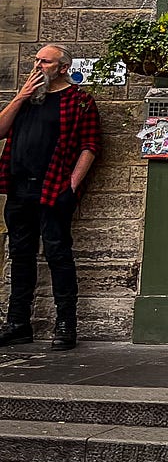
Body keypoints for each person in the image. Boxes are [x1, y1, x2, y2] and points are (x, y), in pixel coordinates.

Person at [0, 45, 101, 351]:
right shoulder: (29, 99)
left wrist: (71, 185)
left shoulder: (79, 100)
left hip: (54, 189)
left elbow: (90, 145)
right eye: (36, 60)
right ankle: (18, 324)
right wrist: (20, 96)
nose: (37, 65)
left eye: (44, 61)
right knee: (20, 256)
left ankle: (65, 325)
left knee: (58, 255)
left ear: (62, 68)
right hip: (19, 188)